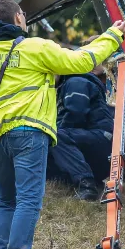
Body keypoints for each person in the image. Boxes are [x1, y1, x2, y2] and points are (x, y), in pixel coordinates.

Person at [0, 0, 125, 249]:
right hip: (29, 131)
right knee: (29, 198)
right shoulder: (34, 47)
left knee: (6, 199)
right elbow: (82, 60)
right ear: (18, 17)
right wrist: (112, 36)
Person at [48, 67, 114, 201]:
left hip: (101, 140)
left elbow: (76, 114)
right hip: (95, 145)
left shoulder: (76, 82)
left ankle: (87, 185)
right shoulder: (68, 85)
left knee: (56, 137)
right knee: (50, 142)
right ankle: (90, 181)